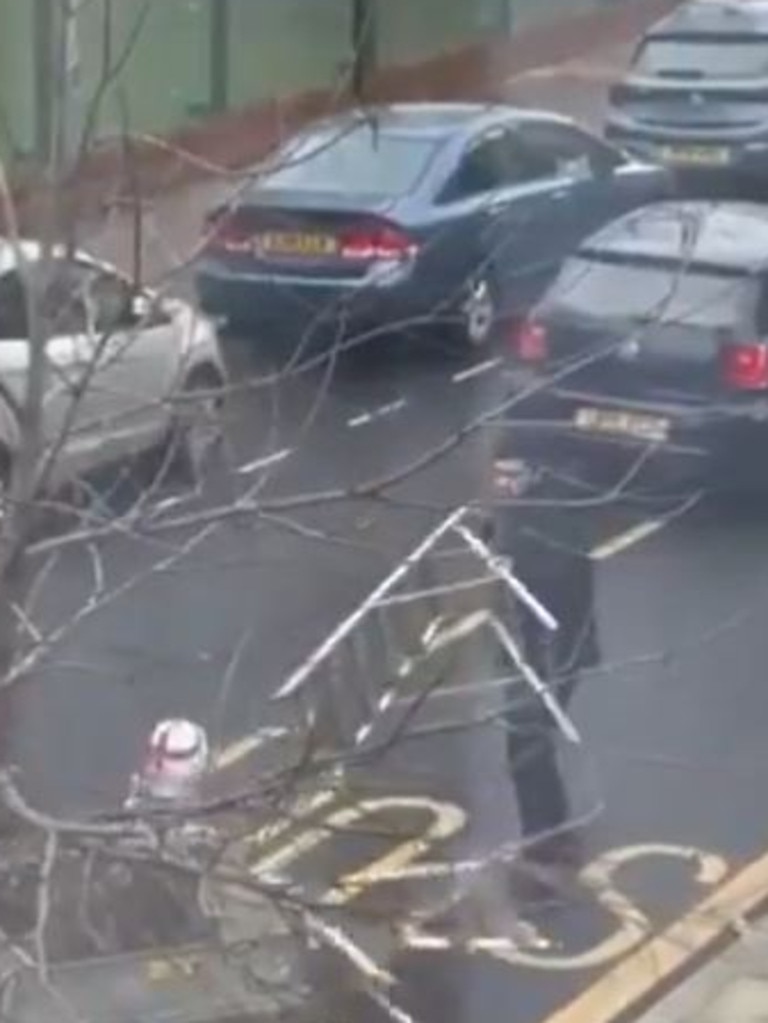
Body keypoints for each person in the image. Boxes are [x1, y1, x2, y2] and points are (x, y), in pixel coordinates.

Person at [487, 455, 600, 876]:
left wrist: (551, 664)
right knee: (527, 744)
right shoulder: (516, 513)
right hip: (527, 650)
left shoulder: (552, 527)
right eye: (498, 474)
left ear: (535, 473)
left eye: (512, 475)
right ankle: (550, 833)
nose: (502, 483)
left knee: (527, 741)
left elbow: (559, 598)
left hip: (552, 655)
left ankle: (547, 839)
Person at [125, 718, 211, 810]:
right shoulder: (120, 818)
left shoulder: (218, 809)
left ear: (198, 763)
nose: (159, 765)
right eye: (152, 753)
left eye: (175, 756)